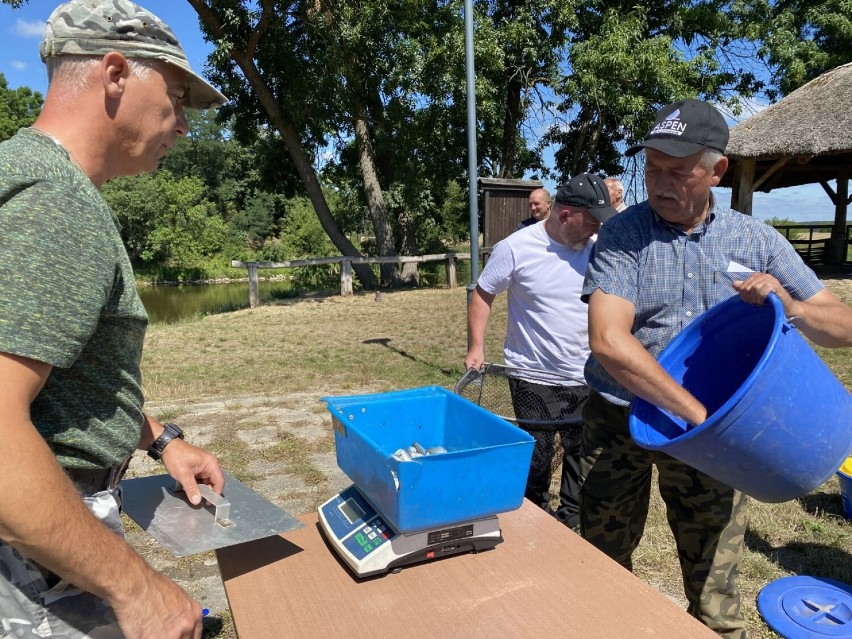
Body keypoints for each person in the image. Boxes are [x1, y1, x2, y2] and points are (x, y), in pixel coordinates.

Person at [580, 98, 852, 638]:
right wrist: (696, 413)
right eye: (652, 168)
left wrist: (792, 308)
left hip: (719, 440)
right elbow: (609, 342)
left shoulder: (755, 239)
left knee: (714, 578)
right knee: (601, 560)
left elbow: (843, 325)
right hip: (621, 421)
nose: (659, 183)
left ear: (716, 171)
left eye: (678, 171)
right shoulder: (624, 236)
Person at [0, 1, 229, 638]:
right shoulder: (56, 205)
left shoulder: (29, 177)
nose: (183, 124)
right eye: (177, 96)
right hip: (30, 561)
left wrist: (160, 440)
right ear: (116, 72)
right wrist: (137, 589)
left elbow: (63, 388)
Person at [466, 174, 617, 529]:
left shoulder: (597, 247)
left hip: (585, 373)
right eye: (592, 220)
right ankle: (532, 516)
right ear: (566, 215)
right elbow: (483, 293)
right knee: (538, 455)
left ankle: (569, 523)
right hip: (533, 374)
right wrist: (476, 346)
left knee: (581, 454)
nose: (597, 227)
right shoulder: (516, 248)